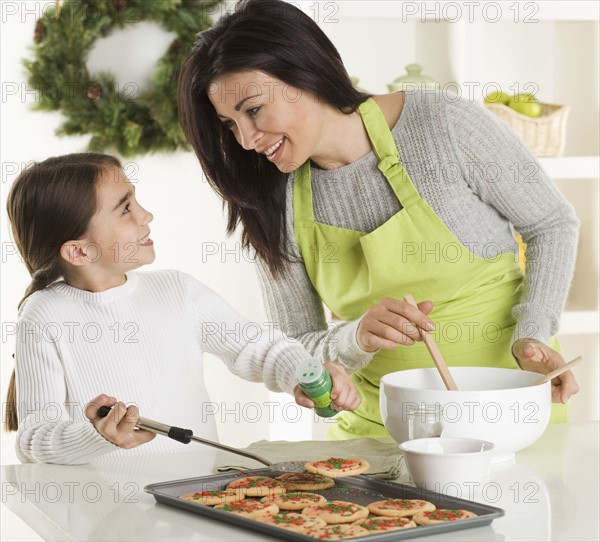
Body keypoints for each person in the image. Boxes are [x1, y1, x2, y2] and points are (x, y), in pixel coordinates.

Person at [177, 0, 580, 440]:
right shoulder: (270, 198)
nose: (248, 140)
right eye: (230, 125)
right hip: (377, 433)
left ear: (306, 75)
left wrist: (534, 332)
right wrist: (356, 339)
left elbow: (551, 224)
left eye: (253, 110)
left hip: (509, 411)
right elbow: (297, 348)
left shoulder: (442, 125)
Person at [4, 152, 360, 465]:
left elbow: (259, 349)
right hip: (105, 520)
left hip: (196, 500)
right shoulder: (43, 315)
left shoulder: (177, 290)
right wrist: (99, 436)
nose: (147, 215)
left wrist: (302, 372)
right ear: (79, 251)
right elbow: (34, 441)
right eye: (126, 208)